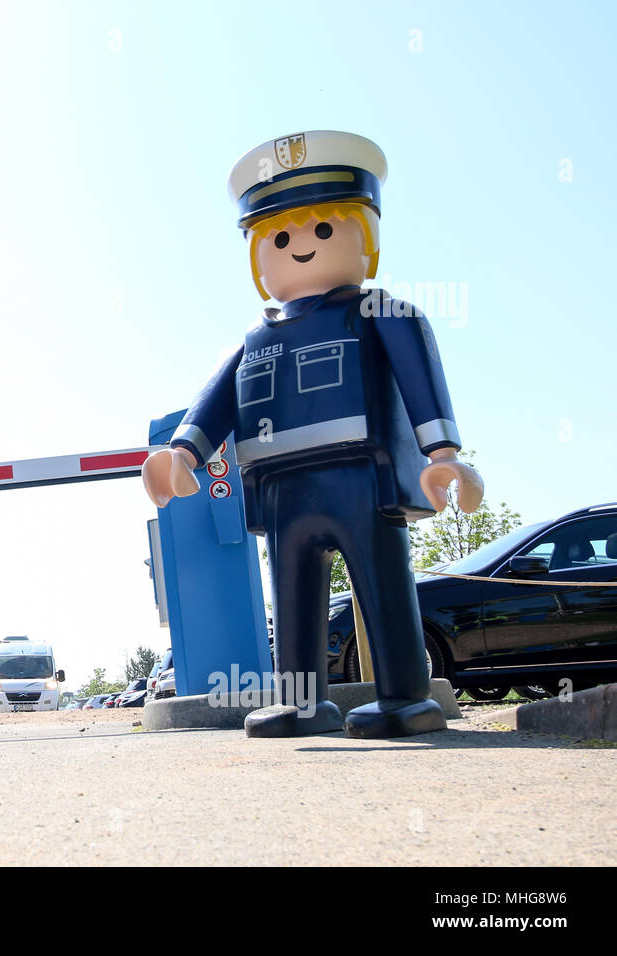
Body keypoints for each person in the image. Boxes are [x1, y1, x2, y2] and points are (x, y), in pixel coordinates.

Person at [142, 131, 482, 740]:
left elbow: (420, 382)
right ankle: (301, 703)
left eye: (323, 229)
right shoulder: (250, 340)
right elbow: (216, 403)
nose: (300, 247)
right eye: (280, 237)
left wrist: (443, 454)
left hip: (359, 475)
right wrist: (182, 453)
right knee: (293, 596)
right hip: (280, 487)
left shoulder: (385, 315)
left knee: (380, 582)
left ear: (364, 237)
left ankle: (405, 694)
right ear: (258, 255)